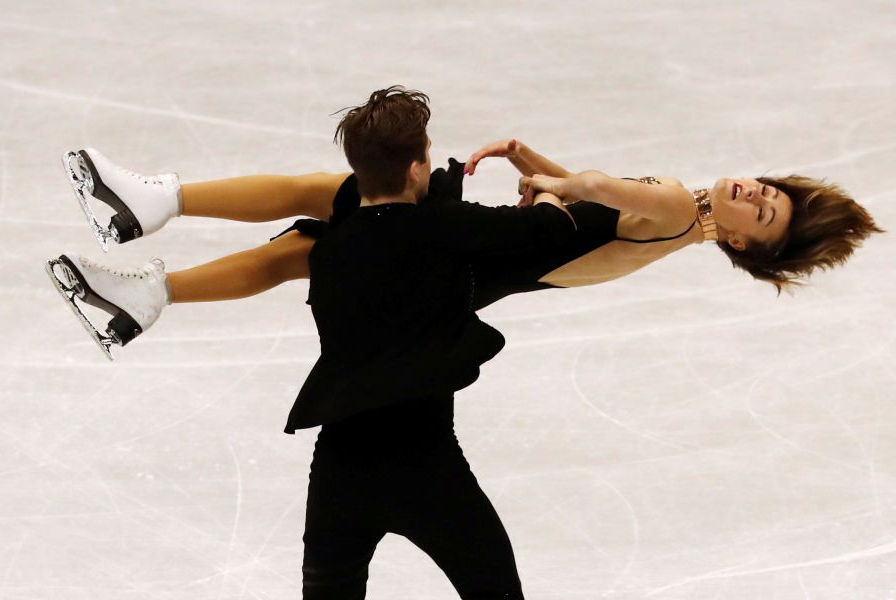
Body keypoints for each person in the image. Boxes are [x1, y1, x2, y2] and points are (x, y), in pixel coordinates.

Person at [50, 86, 584, 599]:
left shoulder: (326, 253)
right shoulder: (450, 226)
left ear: (357, 172)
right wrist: (544, 190)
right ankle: (149, 269)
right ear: (419, 166)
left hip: (340, 471)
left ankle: (150, 268)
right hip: (429, 465)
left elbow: (349, 219)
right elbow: (557, 229)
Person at [46, 126, 881, 357]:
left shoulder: (673, 207)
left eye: (766, 214)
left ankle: (150, 210)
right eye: (774, 191)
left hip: (465, 253)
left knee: (326, 197)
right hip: (471, 271)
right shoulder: (676, 224)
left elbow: (599, 193)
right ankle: (142, 291)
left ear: (747, 249)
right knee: (306, 244)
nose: (758, 194)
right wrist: (537, 168)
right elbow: (591, 225)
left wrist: (559, 183)